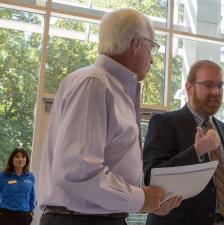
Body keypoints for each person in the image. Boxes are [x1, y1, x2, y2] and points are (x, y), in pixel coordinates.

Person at [37, 8, 181, 225]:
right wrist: (142, 199)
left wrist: (146, 200)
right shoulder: (95, 84)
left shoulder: (109, 87)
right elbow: (78, 174)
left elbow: (104, 169)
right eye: (152, 47)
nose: (152, 60)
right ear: (136, 43)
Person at [143, 60, 224, 225]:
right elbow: (152, 177)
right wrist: (196, 151)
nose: (216, 91)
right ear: (189, 87)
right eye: (208, 85)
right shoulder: (164, 123)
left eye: (220, 86)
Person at [0, 148, 35, 225]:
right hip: (6, 214)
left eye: (23, 157)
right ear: (12, 159)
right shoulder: (3, 176)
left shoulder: (30, 177)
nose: (20, 159)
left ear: (26, 160)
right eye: (17, 156)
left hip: (24, 215)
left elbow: (32, 196)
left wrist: (31, 212)